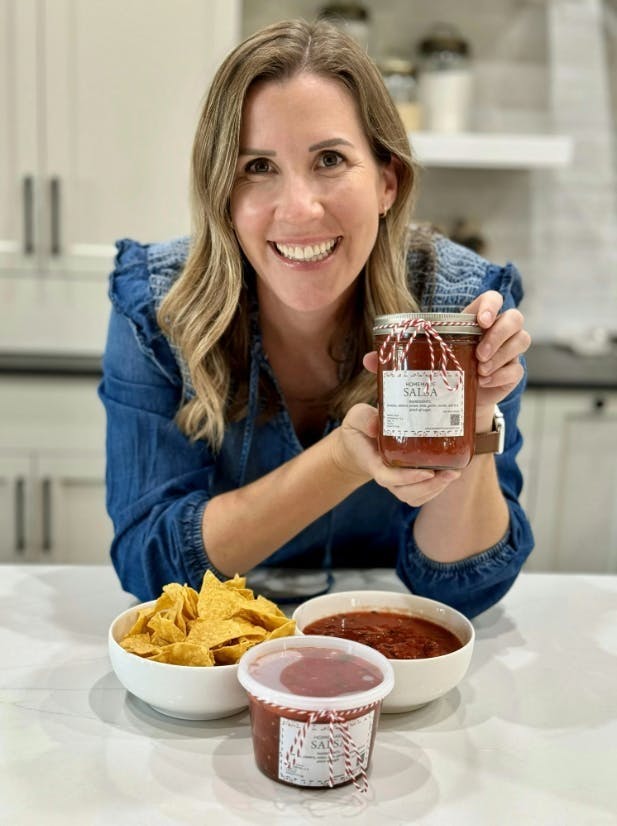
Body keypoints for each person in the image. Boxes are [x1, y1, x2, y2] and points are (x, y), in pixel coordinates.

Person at [99, 18, 534, 617]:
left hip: (388, 649)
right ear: (221, 193)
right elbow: (152, 567)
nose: (299, 209)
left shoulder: (457, 307)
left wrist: (473, 420)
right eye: (257, 167)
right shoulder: (158, 306)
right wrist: (339, 463)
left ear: (387, 181)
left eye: (329, 159)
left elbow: (462, 590)